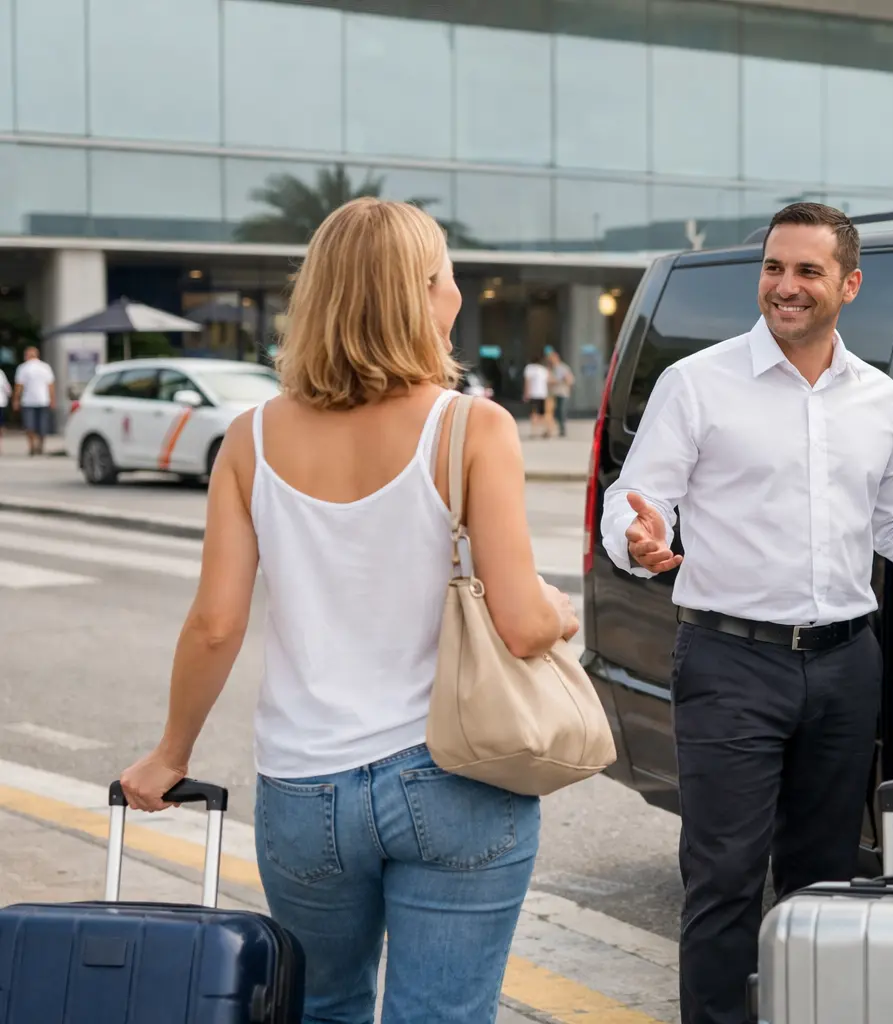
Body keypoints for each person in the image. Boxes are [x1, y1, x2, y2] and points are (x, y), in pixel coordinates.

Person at [117, 197, 578, 1023]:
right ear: (423, 292)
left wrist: (170, 752)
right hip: (454, 774)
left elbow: (215, 624)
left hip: (304, 789)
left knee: (323, 1009)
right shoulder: (473, 427)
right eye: (448, 276)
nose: (457, 293)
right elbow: (521, 622)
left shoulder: (251, 439)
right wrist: (559, 609)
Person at [602, 201, 893, 1024]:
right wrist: (638, 538)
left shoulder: (877, 398)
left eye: (808, 271)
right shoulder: (697, 383)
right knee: (724, 879)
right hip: (729, 663)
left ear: (848, 284)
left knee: (824, 885)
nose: (785, 285)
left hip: (845, 664)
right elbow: (638, 498)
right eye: (774, 268)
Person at [13, 346, 55, 456]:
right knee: (43, 425)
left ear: (27, 355)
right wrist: (52, 399)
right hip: (44, 400)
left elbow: (19, 386)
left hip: (28, 401)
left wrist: (16, 400)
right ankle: (40, 445)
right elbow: (50, 385)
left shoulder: (23, 368)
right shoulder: (45, 367)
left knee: (29, 425)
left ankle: (32, 446)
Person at [523, 351, 552, 438]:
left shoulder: (529, 368)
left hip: (533, 394)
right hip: (543, 394)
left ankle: (534, 432)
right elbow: (548, 381)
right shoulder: (543, 369)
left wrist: (526, 393)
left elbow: (527, 382)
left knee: (534, 413)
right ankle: (546, 430)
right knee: (543, 414)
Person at [546, 346, 574, 437]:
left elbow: (569, 379)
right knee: (555, 411)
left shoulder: (563, 368)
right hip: (553, 393)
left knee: (561, 410)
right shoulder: (550, 369)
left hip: (562, 392)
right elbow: (548, 380)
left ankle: (562, 428)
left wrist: (559, 381)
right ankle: (556, 427)